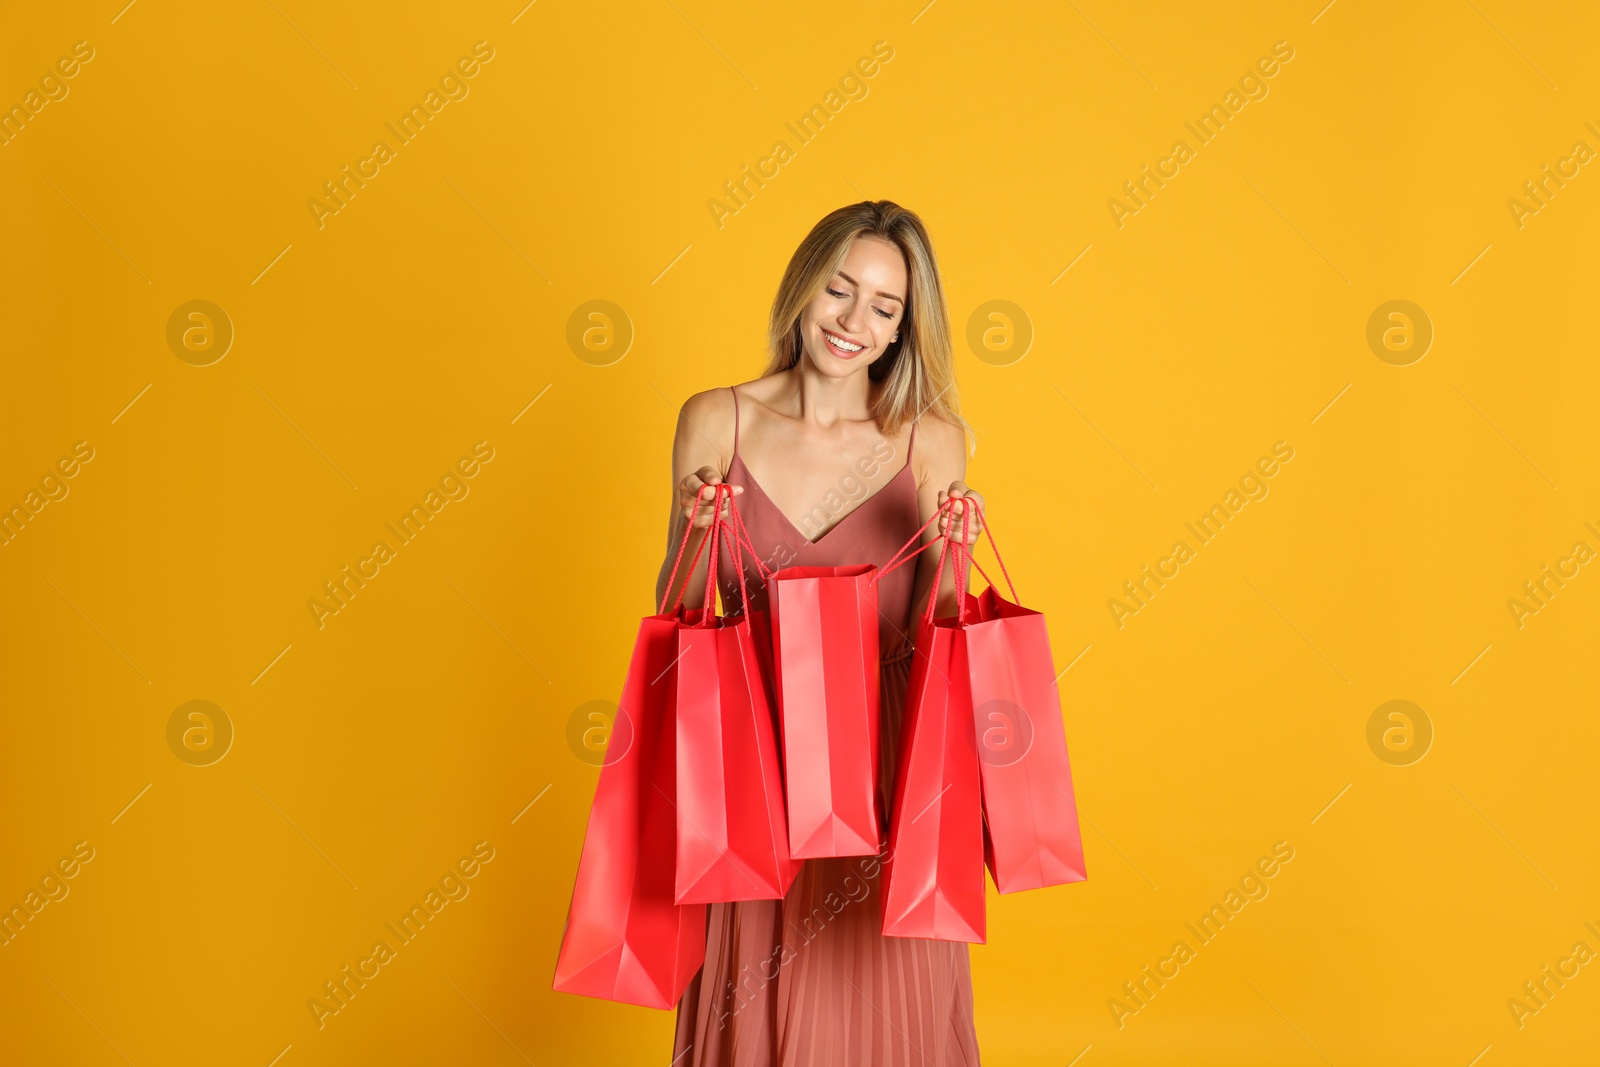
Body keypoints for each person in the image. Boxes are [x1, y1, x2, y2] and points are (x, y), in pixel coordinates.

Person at [657, 200, 985, 1066]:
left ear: (904, 328)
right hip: (754, 767)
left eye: (884, 306)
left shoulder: (933, 438)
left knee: (886, 1011)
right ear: (802, 288)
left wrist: (956, 554)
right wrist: (699, 528)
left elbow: (939, 632)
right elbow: (681, 613)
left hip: (882, 771)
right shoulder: (716, 418)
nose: (854, 321)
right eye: (840, 290)